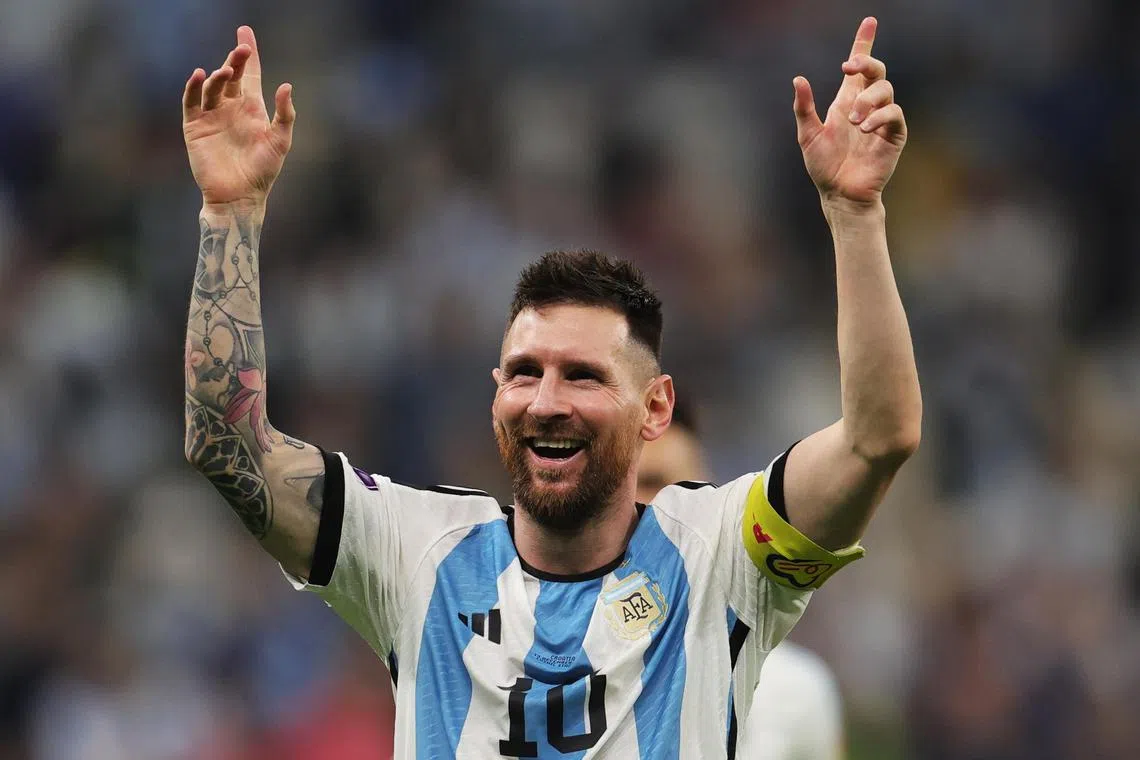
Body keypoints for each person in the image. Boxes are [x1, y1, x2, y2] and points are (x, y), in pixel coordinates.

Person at [181, 17, 919, 759]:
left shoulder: (719, 557)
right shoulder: (416, 553)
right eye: (526, 373)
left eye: (584, 376)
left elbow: (876, 439)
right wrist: (230, 215)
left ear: (655, 408)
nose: (547, 402)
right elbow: (230, 449)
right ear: (497, 392)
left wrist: (855, 214)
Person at [636, 397, 845, 759]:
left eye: (663, 485)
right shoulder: (543, 670)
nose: (646, 506)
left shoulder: (798, 690)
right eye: (625, 486)